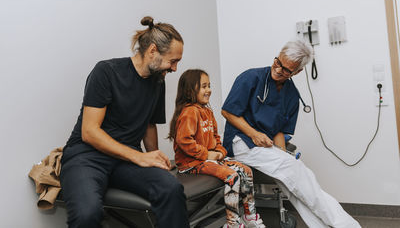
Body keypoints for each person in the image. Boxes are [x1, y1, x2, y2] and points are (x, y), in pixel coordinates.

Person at [60, 16, 189, 228]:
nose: (175, 68)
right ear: (152, 51)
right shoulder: (107, 72)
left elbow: (148, 124)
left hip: (125, 161)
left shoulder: (158, 81)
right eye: (173, 61)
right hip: (87, 156)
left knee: (170, 189)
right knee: (87, 213)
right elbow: (89, 132)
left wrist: (153, 158)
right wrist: (139, 157)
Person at [221, 40, 361, 228]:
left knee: (295, 183)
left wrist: (282, 153)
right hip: (240, 141)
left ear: (297, 72)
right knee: (300, 174)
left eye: (287, 70)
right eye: (278, 62)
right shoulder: (251, 78)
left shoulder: (292, 95)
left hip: (263, 147)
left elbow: (279, 130)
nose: (278, 70)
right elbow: (228, 112)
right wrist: (253, 133)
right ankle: (346, 225)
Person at [169, 69, 266, 228]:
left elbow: (216, 138)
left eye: (209, 86)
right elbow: (184, 141)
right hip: (191, 164)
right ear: (189, 90)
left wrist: (220, 152)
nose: (209, 90)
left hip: (208, 159)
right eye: (203, 86)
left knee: (246, 171)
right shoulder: (189, 112)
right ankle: (232, 223)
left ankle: (250, 215)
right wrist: (207, 154)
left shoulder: (207, 111)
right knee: (232, 176)